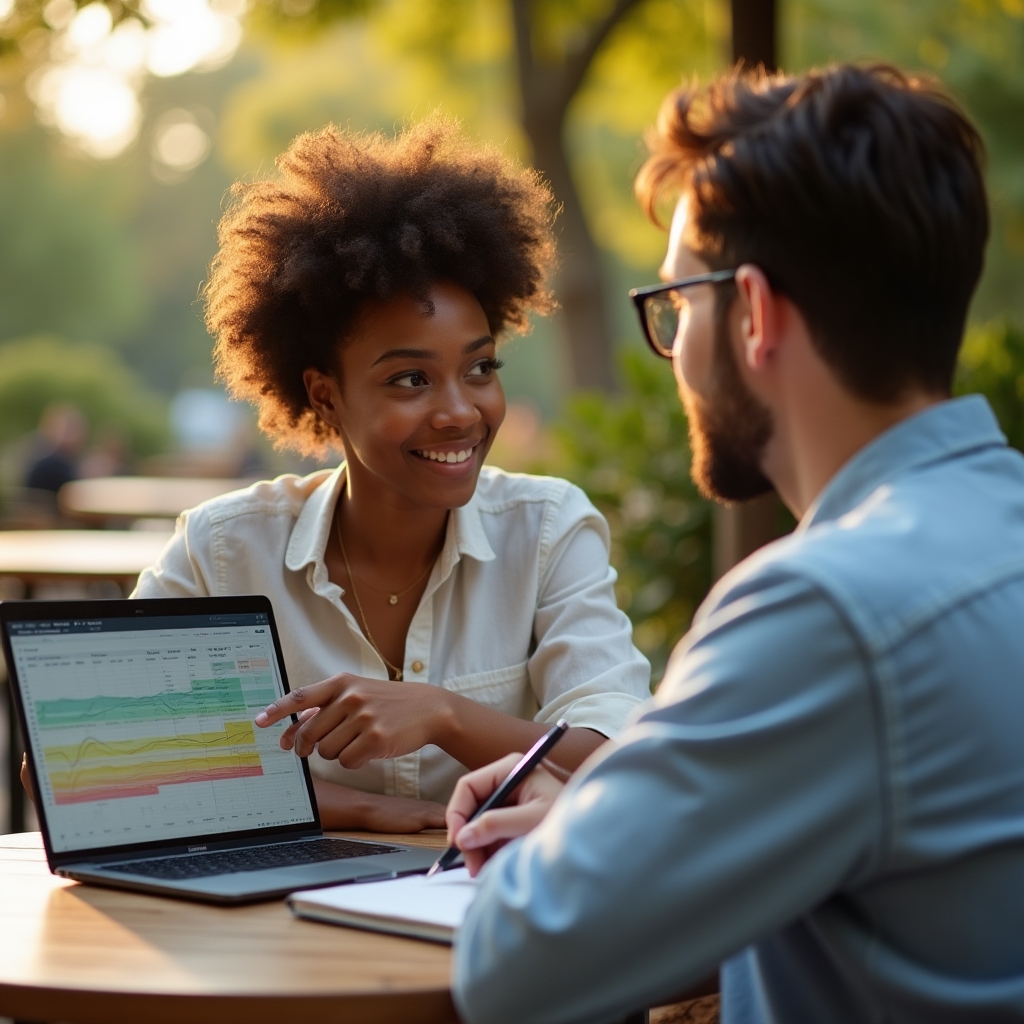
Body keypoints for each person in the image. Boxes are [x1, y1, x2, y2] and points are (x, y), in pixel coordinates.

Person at [445, 64, 1024, 1023]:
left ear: (753, 313)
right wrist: (643, 834)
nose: (673, 348)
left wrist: (594, 827)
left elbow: (515, 968)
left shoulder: (826, 610)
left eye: (680, 303)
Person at [130, 116, 651, 833]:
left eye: (480, 368)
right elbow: (88, 767)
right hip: (264, 926)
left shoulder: (548, 531)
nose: (460, 412)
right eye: (411, 379)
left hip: (485, 912)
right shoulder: (222, 550)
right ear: (325, 394)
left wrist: (441, 715)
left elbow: (618, 763)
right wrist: (366, 811)